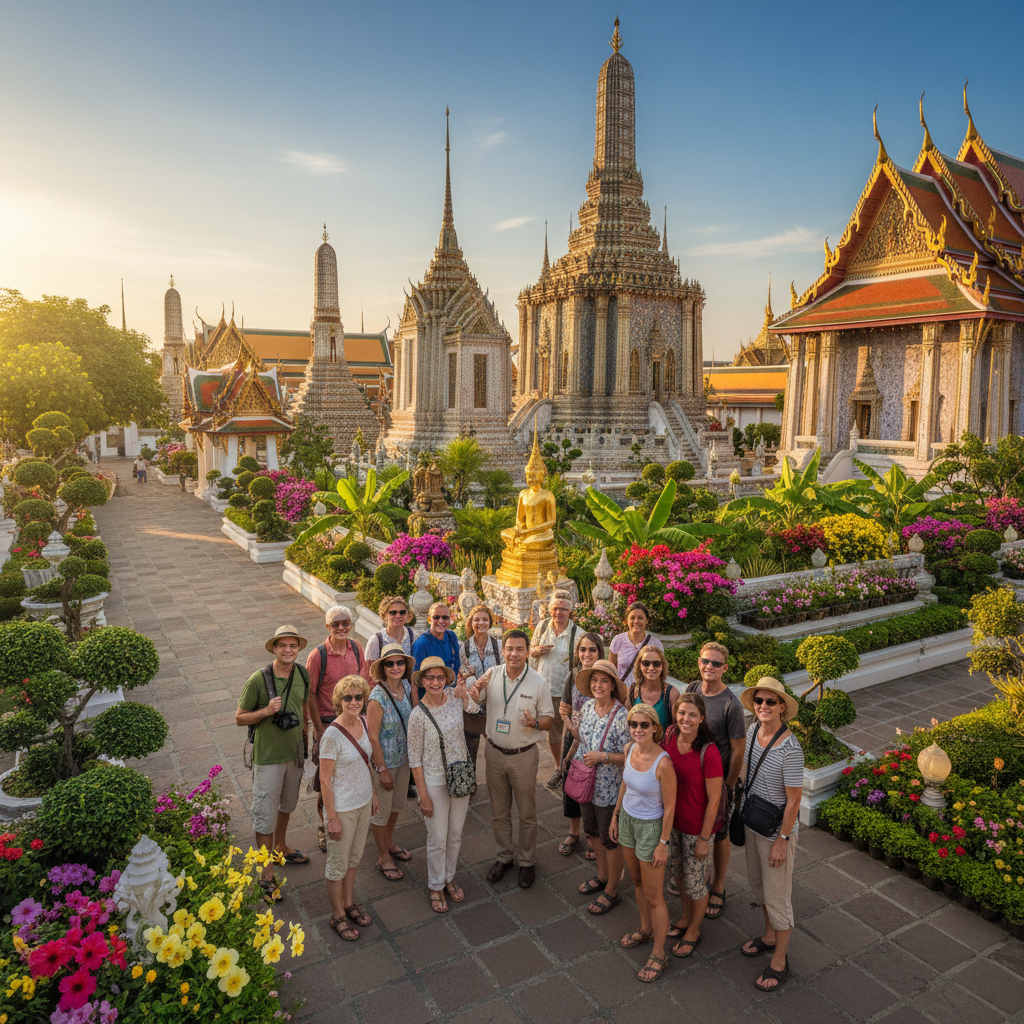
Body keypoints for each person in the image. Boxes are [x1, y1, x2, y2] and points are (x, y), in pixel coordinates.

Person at [469, 630, 553, 889]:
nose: (514, 654)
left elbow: (549, 720)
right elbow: (476, 698)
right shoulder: (492, 674)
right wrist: (473, 690)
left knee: (527, 813)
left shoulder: (538, 682)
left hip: (523, 756)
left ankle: (527, 861)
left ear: (527, 652)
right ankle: (503, 857)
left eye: (519, 649)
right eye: (509, 648)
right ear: (503, 651)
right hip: (494, 753)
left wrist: (535, 722)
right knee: (499, 812)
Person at [235, 625, 312, 902]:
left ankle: (281, 846)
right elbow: (239, 717)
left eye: (293, 645)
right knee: (264, 814)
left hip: (294, 753)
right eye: (283, 645)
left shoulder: (302, 673)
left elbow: (304, 705)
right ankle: (266, 872)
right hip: (268, 757)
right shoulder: (259, 679)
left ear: (298, 649)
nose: (288, 650)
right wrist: (266, 711)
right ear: (274, 649)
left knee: (287, 805)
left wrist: (308, 734)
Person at [738, 677, 804, 992]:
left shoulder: (790, 748)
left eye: (770, 702)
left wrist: (782, 840)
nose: (763, 706)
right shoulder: (753, 731)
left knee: (778, 898)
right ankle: (768, 936)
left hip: (776, 831)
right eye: (759, 700)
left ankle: (780, 962)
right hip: (753, 821)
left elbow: (794, 801)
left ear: (782, 708)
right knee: (759, 886)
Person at [611, 703, 676, 984]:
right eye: (633, 724)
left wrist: (663, 843)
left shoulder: (663, 763)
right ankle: (646, 929)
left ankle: (660, 954)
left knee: (654, 896)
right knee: (636, 881)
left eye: (644, 725)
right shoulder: (629, 750)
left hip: (651, 829)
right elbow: (625, 784)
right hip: (627, 820)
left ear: (654, 728)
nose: (638, 729)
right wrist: (616, 815)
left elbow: (670, 807)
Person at [407, 656, 476, 913]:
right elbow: (414, 759)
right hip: (434, 782)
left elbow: (474, 710)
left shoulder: (455, 699)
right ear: (422, 681)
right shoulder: (417, 715)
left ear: (445, 678)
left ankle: (448, 877)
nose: (435, 682)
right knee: (437, 838)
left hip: (459, 777)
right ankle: (435, 885)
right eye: (430, 678)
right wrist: (422, 795)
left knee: (455, 836)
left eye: (439, 677)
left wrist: (465, 694)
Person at [685, 640, 746, 920]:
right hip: (691, 776)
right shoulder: (693, 688)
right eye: (705, 661)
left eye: (716, 663)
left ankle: (719, 885)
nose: (709, 666)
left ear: (725, 668)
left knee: (720, 834)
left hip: (718, 781)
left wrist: (729, 786)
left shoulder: (731, 704)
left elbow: (738, 750)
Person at [661, 692, 723, 959]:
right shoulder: (670, 735)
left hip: (696, 829)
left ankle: (694, 930)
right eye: (682, 713)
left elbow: (714, 800)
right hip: (671, 823)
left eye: (692, 715)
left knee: (696, 883)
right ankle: (686, 917)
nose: (686, 719)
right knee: (678, 874)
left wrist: (704, 839)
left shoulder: (709, 752)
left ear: (702, 718)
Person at [306, 606, 371, 852]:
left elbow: (361, 686)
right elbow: (310, 694)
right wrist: (318, 727)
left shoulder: (356, 648)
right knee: (326, 780)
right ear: (328, 627)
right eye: (336, 624)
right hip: (327, 724)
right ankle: (325, 826)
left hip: (352, 721)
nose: (341, 627)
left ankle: (349, 817)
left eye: (345, 623)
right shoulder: (318, 656)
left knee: (351, 772)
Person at [319, 674, 378, 941]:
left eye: (358, 697)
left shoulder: (363, 722)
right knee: (338, 864)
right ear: (338, 701)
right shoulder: (332, 735)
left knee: (354, 859)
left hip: (363, 803)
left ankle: (348, 902)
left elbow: (366, 764)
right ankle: (337, 914)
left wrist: (372, 794)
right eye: (348, 698)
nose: (354, 702)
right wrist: (331, 817)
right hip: (341, 809)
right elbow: (325, 780)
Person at [572, 659, 630, 915]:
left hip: (609, 788)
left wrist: (602, 757)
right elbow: (582, 741)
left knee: (610, 839)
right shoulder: (586, 707)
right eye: (594, 680)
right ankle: (602, 875)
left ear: (613, 686)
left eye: (604, 681)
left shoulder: (622, 716)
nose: (598, 685)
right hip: (586, 783)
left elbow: (629, 757)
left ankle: (613, 889)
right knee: (593, 831)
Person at [366, 643, 417, 881]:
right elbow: (373, 737)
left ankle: (388, 843)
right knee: (381, 812)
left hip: (403, 759)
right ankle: (383, 856)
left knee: (396, 807)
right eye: (389, 663)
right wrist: (382, 769)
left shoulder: (406, 686)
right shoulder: (377, 697)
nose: (395, 667)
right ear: (382, 668)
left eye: (399, 662)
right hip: (385, 763)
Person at [557, 631, 605, 859]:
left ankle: (590, 835)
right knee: (572, 787)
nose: (587, 654)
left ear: (600, 652)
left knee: (592, 788)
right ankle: (573, 832)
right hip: (573, 740)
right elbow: (563, 709)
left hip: (596, 743)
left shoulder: (604, 677)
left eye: (592, 650)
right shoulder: (573, 675)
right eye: (583, 649)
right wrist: (572, 728)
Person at [529, 590, 578, 788]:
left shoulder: (577, 634)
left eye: (563, 609)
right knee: (551, 732)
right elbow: (530, 651)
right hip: (542, 688)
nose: (559, 612)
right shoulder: (542, 627)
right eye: (556, 608)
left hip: (564, 690)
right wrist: (535, 651)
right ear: (550, 609)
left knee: (568, 731)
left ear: (570, 611)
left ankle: (570, 767)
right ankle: (559, 766)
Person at [460, 603, 503, 766]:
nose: (481, 623)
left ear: (490, 622)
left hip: (496, 703)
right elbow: (463, 676)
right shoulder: (464, 648)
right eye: (476, 620)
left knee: (497, 748)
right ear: (471, 623)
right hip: (473, 704)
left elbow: (505, 673)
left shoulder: (499, 646)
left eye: (485, 619)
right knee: (470, 749)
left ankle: (497, 775)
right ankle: (470, 777)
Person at [609, 602, 664, 692]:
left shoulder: (656, 644)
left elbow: (659, 672)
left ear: (647, 620)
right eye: (632, 618)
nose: (636, 621)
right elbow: (611, 672)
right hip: (623, 693)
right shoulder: (618, 641)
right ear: (627, 620)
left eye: (640, 618)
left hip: (646, 693)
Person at [627, 646, 679, 730]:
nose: (651, 668)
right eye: (646, 663)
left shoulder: (671, 694)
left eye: (656, 664)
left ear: (662, 666)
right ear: (639, 665)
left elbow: (675, 728)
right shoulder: (633, 691)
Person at [412, 602, 461, 680]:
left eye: (445, 617)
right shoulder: (422, 644)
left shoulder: (451, 636)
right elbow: (416, 677)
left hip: (451, 682)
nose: (441, 621)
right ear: (429, 620)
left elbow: (457, 664)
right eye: (436, 617)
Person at [364, 595, 415, 662]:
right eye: (393, 613)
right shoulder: (376, 640)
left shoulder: (413, 635)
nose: (398, 616)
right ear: (384, 615)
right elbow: (370, 667)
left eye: (402, 612)